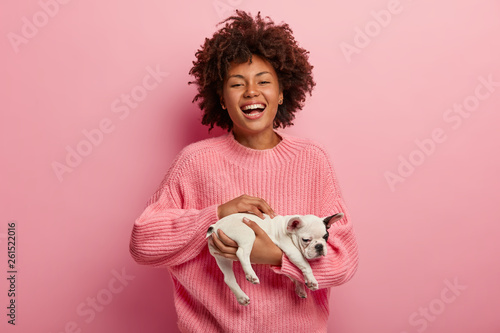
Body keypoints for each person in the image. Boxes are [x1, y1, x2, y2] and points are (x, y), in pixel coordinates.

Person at [129, 10, 359, 333]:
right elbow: (143, 241)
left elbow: (344, 259)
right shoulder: (194, 162)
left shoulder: (313, 160)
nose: (251, 91)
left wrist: (277, 256)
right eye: (237, 84)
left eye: (263, 81)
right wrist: (216, 215)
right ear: (222, 100)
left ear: (282, 93)